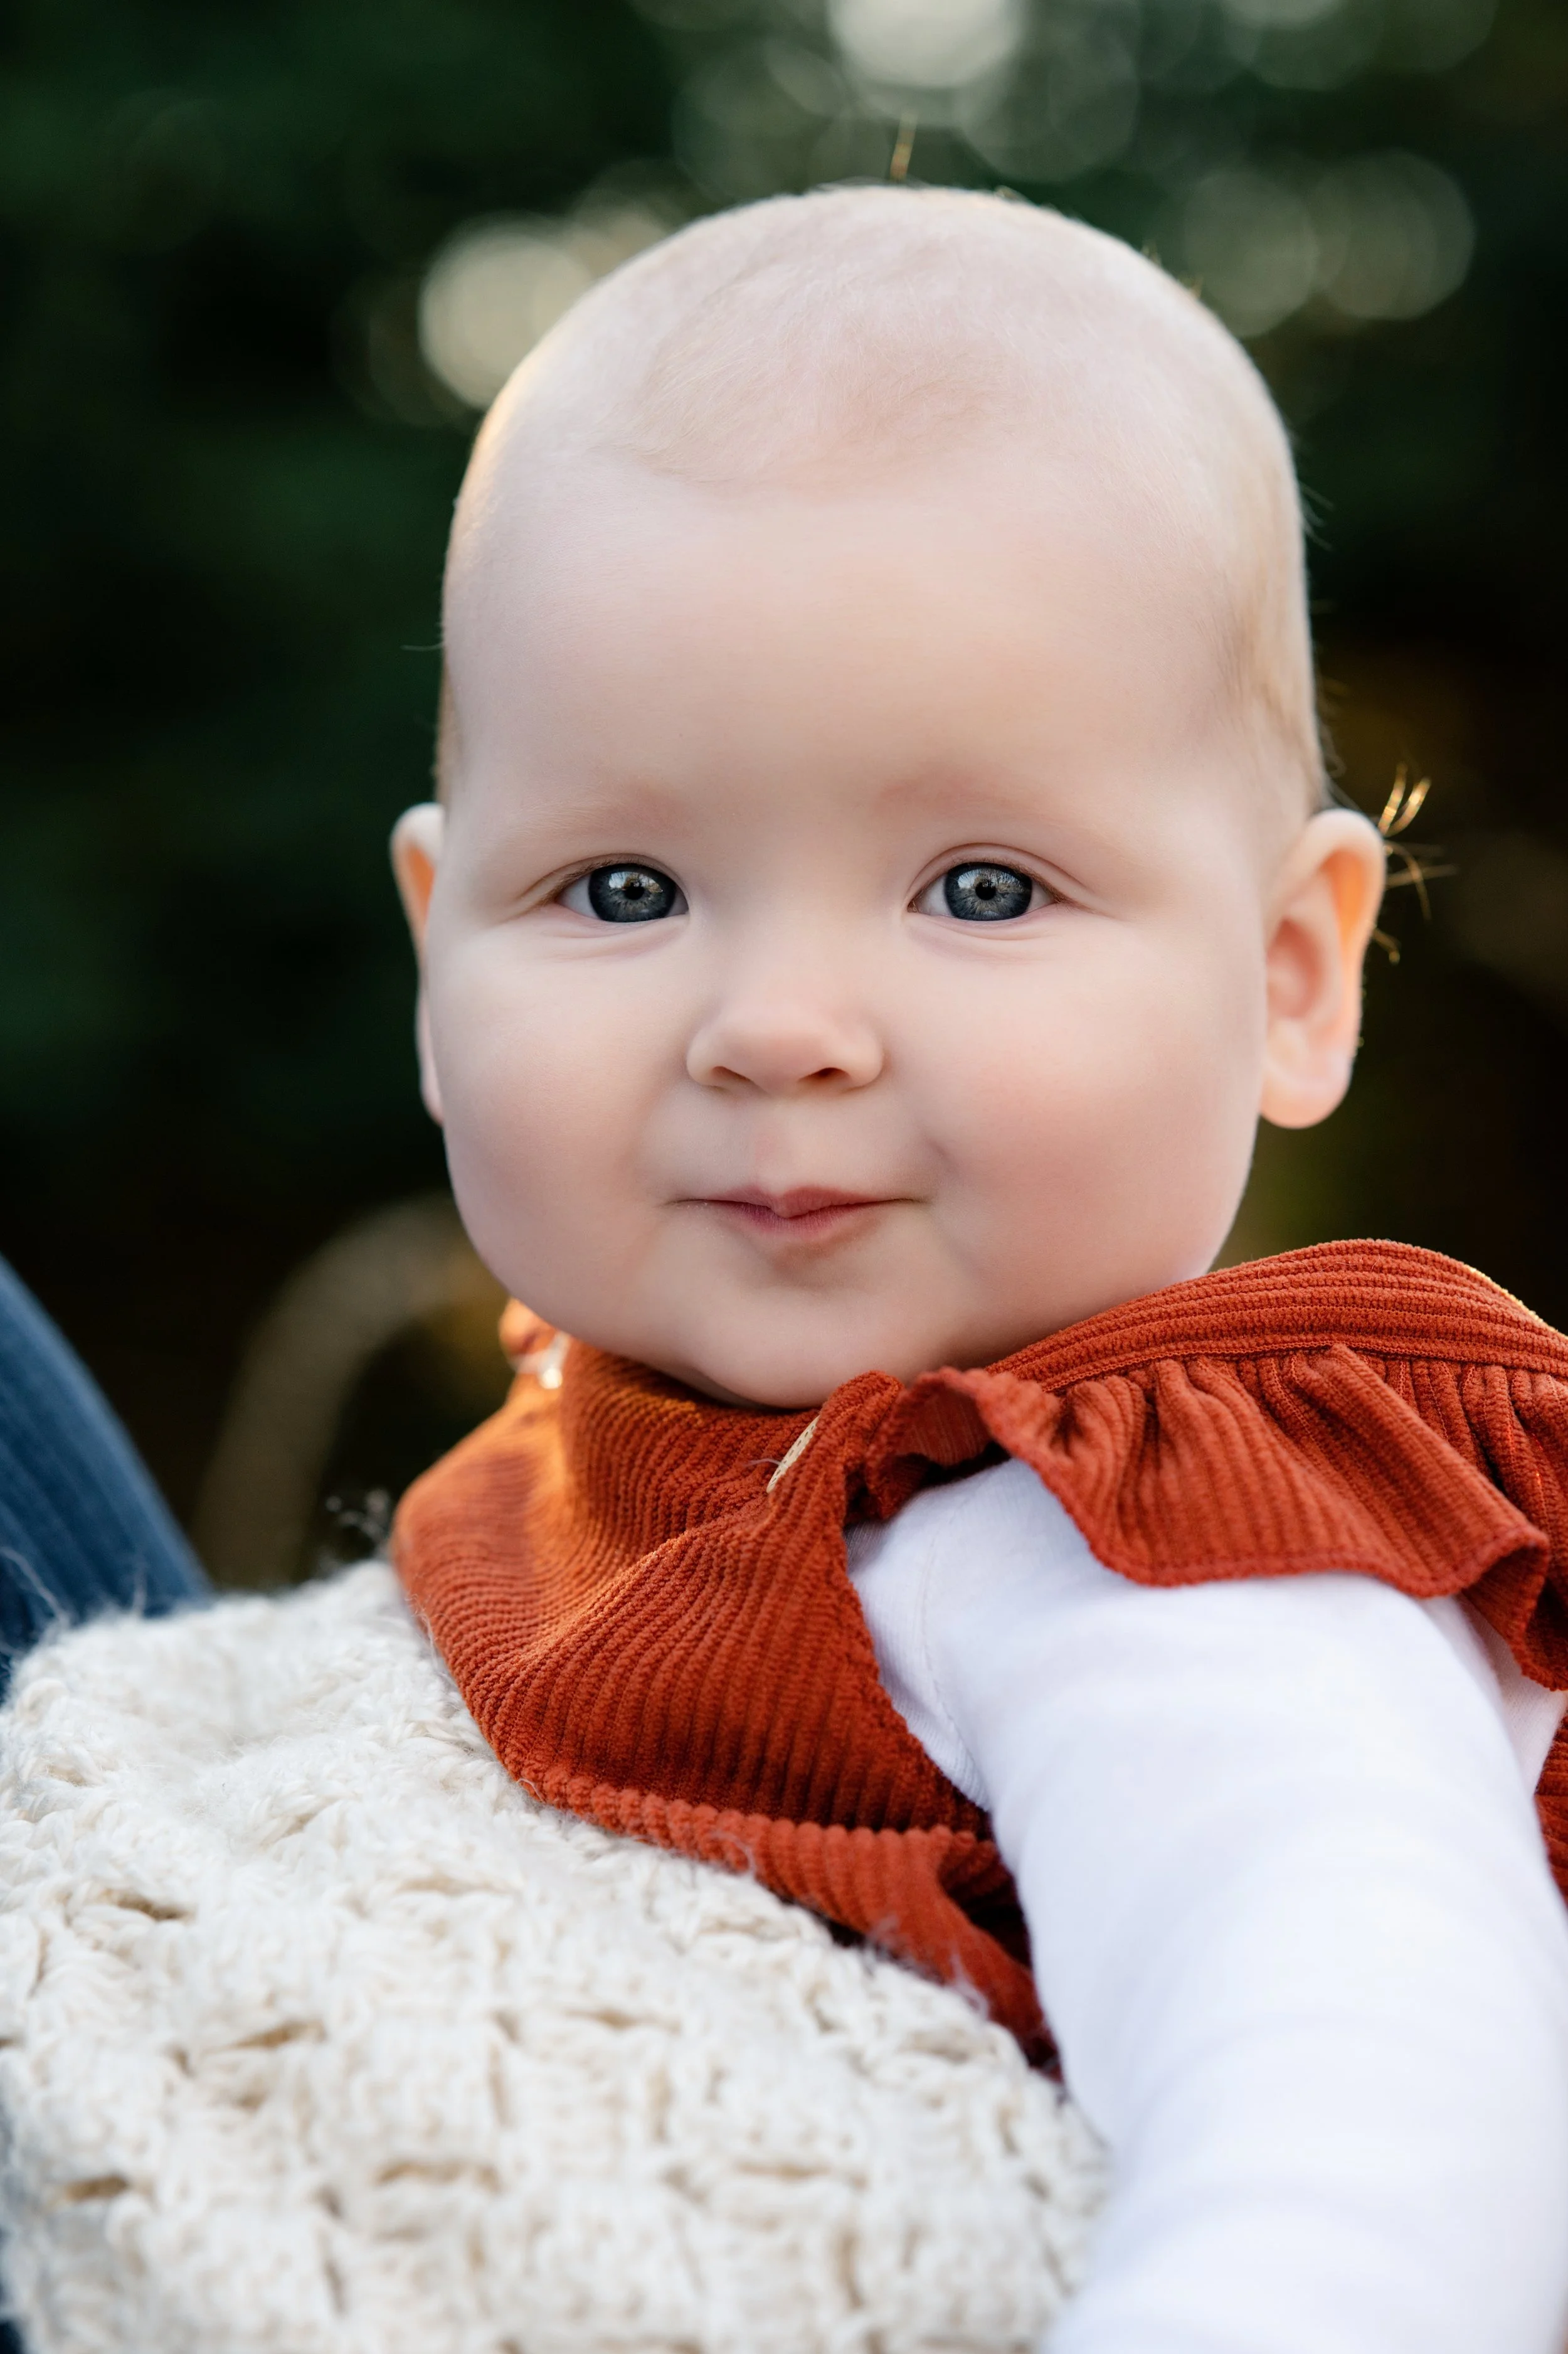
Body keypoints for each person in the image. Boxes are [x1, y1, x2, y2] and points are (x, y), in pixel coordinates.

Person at [4, 183, 1568, 2353]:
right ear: (433, 951)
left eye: (985, 888)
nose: (777, 1022)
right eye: (626, 885)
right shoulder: (631, 1453)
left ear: (1294, 975)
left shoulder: (1140, 1542)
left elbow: (1374, 2110)